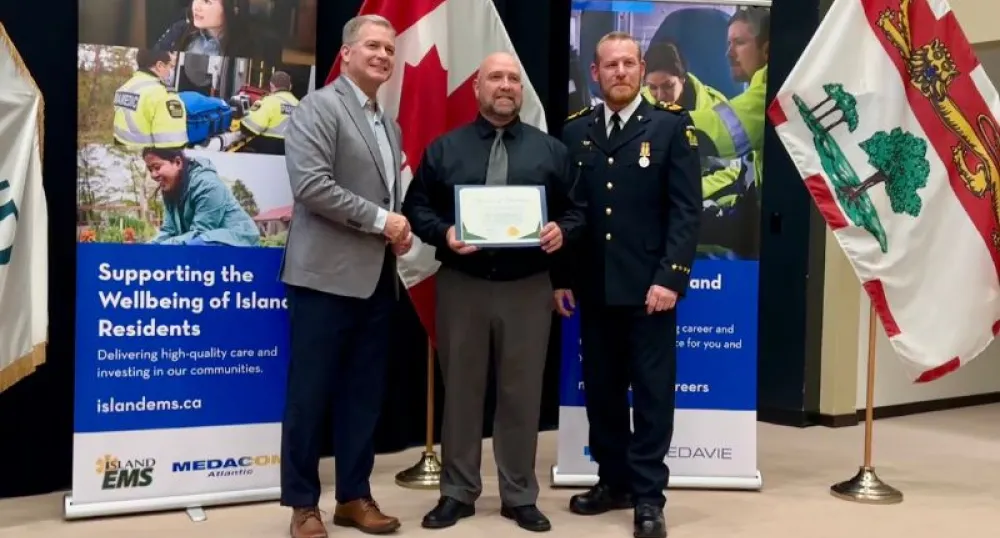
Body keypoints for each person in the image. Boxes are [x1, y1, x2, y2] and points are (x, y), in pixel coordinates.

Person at [403, 52, 584, 533]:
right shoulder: (446, 149)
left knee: (521, 394)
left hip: (527, 287)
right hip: (463, 285)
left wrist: (561, 231)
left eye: (513, 79)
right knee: (461, 391)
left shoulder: (550, 151)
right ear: (477, 88)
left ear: (520, 91)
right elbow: (415, 206)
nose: (505, 86)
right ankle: (458, 492)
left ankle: (519, 494)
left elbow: (577, 209)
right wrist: (444, 233)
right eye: (495, 78)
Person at [556, 31, 701, 538]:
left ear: (641, 69)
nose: (620, 72)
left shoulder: (670, 128)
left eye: (628, 63)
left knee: (653, 395)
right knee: (603, 392)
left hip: (650, 293)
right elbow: (569, 212)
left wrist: (670, 279)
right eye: (609, 65)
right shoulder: (576, 132)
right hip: (595, 288)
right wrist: (562, 278)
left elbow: (686, 213)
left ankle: (648, 497)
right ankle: (611, 481)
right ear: (594, 73)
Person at [278, 14, 410, 538]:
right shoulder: (318, 107)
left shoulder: (389, 122)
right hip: (322, 279)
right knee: (309, 395)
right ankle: (303, 505)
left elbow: (385, 195)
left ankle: (354, 496)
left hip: (376, 278)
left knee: (363, 394)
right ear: (347, 53)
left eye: (390, 49)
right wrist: (384, 219)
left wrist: (395, 228)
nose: (383, 55)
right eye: (373, 46)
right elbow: (310, 185)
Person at [141, 147, 259, 246]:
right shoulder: (170, 189)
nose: (153, 175)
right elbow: (169, 230)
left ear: (177, 162)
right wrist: (147, 248)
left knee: (196, 244)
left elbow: (200, 232)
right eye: (150, 169)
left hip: (238, 243)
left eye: (157, 167)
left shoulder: (207, 184)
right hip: (201, 241)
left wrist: (160, 249)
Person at [113, 49, 188, 149]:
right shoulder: (164, 95)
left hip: (124, 152)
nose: (171, 71)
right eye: (170, 66)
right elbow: (173, 146)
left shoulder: (123, 88)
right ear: (160, 66)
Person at [239, 70, 299, 155]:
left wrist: (243, 120)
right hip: (292, 153)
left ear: (271, 85)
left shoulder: (270, 101)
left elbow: (250, 128)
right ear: (290, 87)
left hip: (270, 151)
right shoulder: (298, 104)